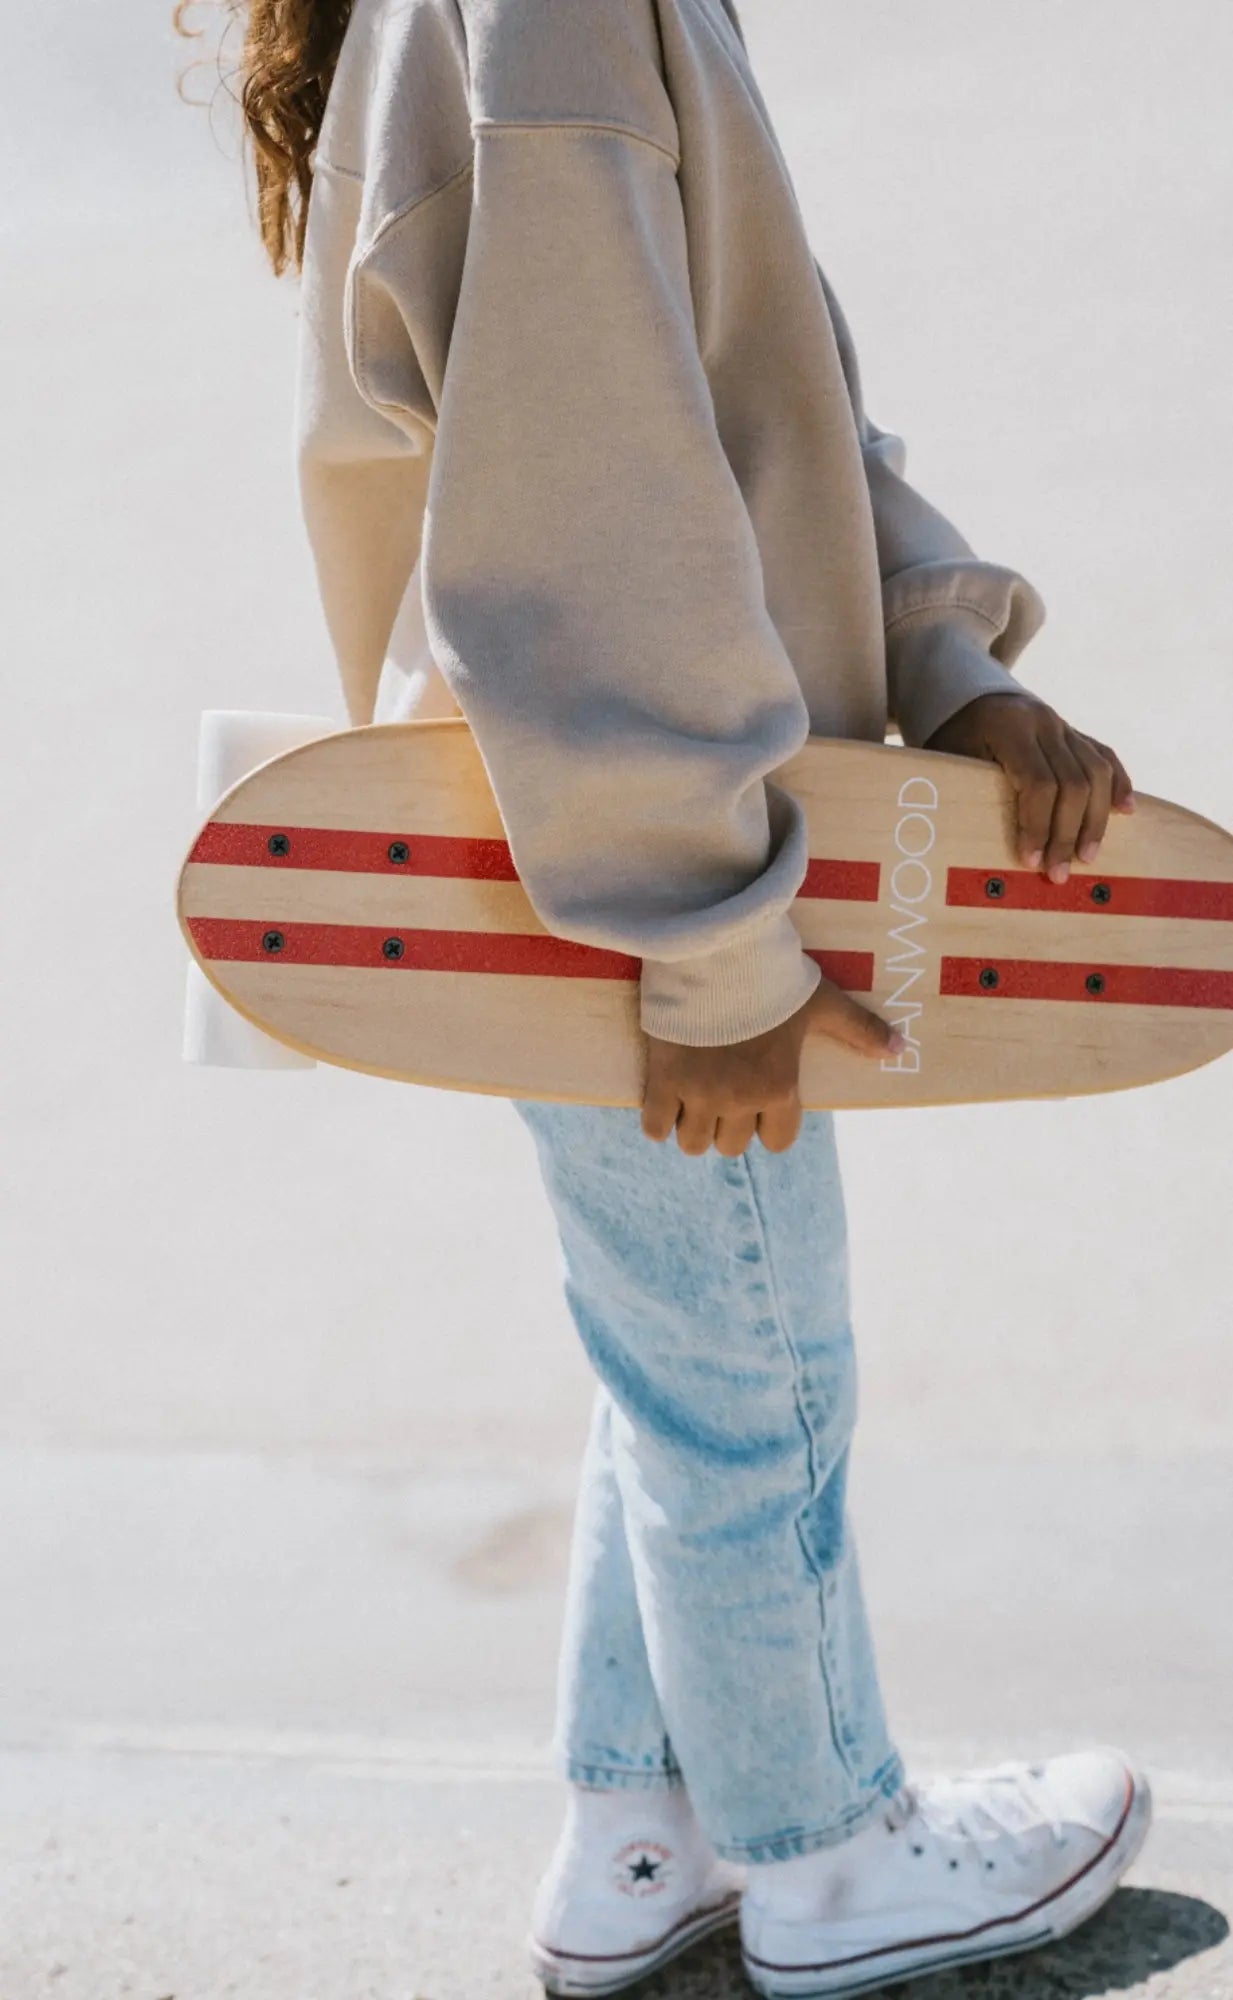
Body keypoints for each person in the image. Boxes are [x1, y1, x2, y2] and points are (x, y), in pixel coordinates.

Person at [184, 0, 1150, 1989]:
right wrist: (705, 939)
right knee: (756, 1376)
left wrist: (948, 663)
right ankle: (827, 1854)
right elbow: (580, 522)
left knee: (682, 1355)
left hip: (605, 827)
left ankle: (643, 1824)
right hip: (639, 842)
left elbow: (757, 393)